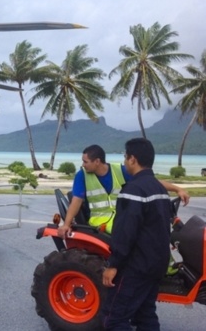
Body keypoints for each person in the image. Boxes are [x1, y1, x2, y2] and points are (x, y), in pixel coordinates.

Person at [102, 138, 172, 330]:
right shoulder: (160, 189)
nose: (124, 162)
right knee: (144, 314)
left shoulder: (133, 190)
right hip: (157, 263)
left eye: (125, 157)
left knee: (114, 318)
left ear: (133, 159)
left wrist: (113, 265)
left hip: (136, 266)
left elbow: (125, 233)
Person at [58, 144, 189, 238]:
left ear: (97, 161)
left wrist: (177, 189)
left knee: (152, 228)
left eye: (85, 161)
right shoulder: (82, 175)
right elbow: (77, 200)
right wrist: (66, 224)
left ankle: (168, 267)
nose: (83, 165)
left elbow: (150, 181)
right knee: (131, 233)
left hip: (121, 216)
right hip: (100, 220)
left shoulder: (120, 170)